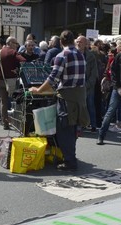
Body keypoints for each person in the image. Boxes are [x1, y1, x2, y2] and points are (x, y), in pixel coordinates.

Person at [29, 30, 89, 171]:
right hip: (79, 96)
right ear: (73, 40)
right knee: (73, 129)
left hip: (67, 97)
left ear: (61, 42)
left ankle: (70, 161)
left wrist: (38, 90)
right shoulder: (81, 54)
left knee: (64, 130)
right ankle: (70, 157)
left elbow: (52, 79)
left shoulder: (62, 56)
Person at [0, 36, 26, 130]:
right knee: (16, 101)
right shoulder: (13, 52)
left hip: (1, 81)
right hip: (12, 81)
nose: (17, 45)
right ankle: (17, 123)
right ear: (11, 43)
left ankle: (5, 123)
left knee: (3, 102)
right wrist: (17, 70)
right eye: (15, 43)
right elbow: (24, 61)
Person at [76, 35, 98, 132]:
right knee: (79, 106)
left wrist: (88, 84)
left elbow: (94, 73)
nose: (78, 43)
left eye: (80, 42)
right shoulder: (73, 54)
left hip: (88, 86)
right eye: (77, 41)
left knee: (90, 105)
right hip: (76, 86)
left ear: (85, 44)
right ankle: (80, 125)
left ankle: (93, 125)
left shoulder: (90, 56)